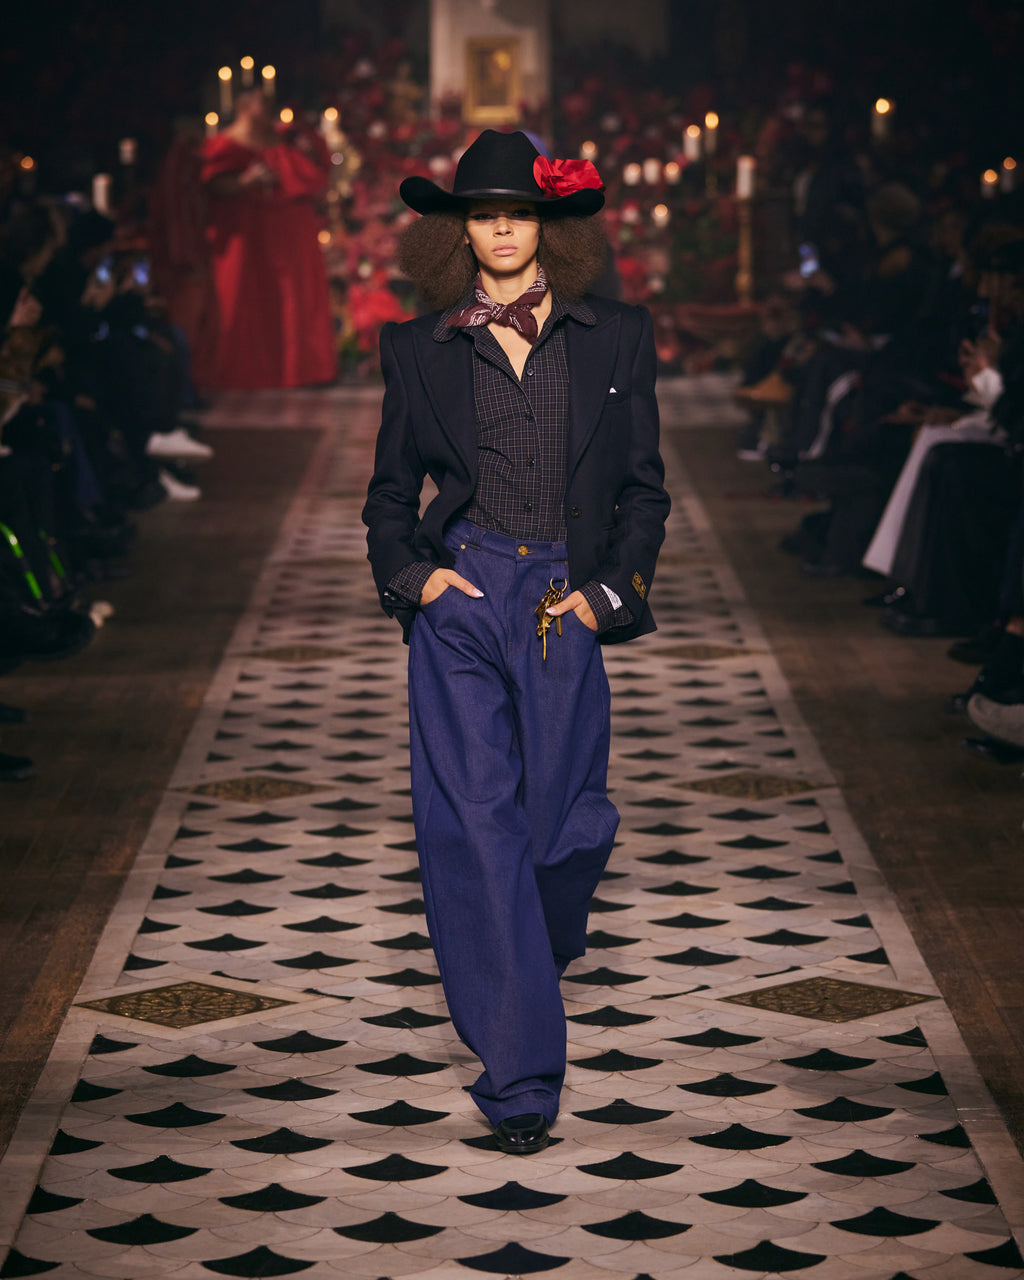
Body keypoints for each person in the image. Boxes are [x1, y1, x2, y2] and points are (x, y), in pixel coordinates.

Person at [362, 130, 670, 1154]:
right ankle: (521, 1075)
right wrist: (416, 579)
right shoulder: (417, 347)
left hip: (561, 598)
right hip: (463, 596)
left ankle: (536, 947)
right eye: (483, 213)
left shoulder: (616, 337)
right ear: (458, 230)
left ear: (548, 226)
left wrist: (604, 596)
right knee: (477, 832)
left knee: (560, 831)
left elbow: (642, 489)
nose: (501, 228)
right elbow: (388, 495)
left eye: (519, 212)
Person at [198, 91, 336, 391]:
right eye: (263, 104)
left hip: (288, 232)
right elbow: (213, 183)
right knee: (242, 295)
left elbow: (315, 174)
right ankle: (241, 371)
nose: (270, 109)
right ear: (245, 108)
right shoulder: (226, 144)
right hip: (245, 233)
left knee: (291, 297)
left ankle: (298, 369)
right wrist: (245, 181)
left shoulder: (286, 140)